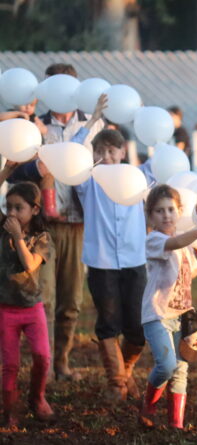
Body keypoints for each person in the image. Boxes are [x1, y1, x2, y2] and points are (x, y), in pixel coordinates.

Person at [9, 63, 105, 382]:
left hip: (79, 221)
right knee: (45, 295)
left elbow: (108, 167)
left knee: (72, 299)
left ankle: (62, 361)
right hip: (43, 224)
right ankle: (45, 366)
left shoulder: (95, 126)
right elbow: (16, 172)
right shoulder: (34, 126)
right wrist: (37, 169)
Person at [72, 112, 149, 403]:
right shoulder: (88, 182)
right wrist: (89, 126)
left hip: (134, 261)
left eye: (112, 151)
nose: (107, 156)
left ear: (122, 152)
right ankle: (116, 382)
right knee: (108, 320)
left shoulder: (138, 178)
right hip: (102, 262)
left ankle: (126, 373)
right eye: (101, 151)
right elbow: (72, 155)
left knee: (136, 325)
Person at [138, 185, 197, 429]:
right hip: (157, 315)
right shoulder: (155, 239)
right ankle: (148, 404)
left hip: (181, 315)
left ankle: (176, 423)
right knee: (167, 365)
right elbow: (176, 241)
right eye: (159, 211)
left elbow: (194, 270)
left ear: (179, 211)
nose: (166, 215)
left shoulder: (183, 246)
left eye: (171, 209)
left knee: (181, 369)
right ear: (150, 216)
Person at [0, 178, 53, 426]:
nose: (11, 212)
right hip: (5, 310)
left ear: (34, 209)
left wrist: (18, 237)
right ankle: (9, 409)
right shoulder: (4, 228)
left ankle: (37, 398)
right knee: (10, 363)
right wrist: (7, 170)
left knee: (42, 357)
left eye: (18, 207)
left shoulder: (42, 237)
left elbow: (29, 264)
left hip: (32, 309)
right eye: (8, 206)